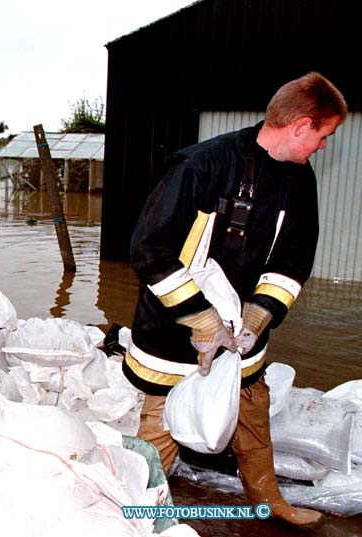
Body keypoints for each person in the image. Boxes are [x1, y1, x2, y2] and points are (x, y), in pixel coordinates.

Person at [122, 72, 347, 529]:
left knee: (251, 412)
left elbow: (293, 258)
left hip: (244, 336)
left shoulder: (300, 183)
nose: (323, 146)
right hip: (173, 332)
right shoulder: (200, 166)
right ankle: (137, 516)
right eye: (324, 135)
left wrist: (260, 314)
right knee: (159, 430)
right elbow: (149, 249)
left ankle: (270, 503)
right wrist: (202, 320)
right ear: (301, 125)